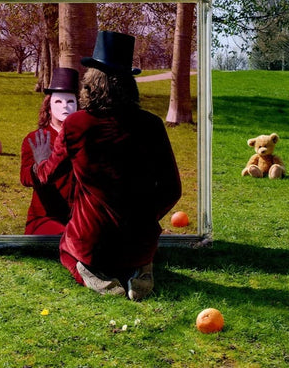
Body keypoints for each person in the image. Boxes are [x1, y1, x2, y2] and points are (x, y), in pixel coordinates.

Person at [29, 31, 182, 301]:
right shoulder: (152, 124)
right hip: (141, 241)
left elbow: (48, 174)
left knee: (67, 247)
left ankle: (94, 274)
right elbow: (172, 189)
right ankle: (140, 271)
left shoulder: (76, 124)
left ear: (90, 82)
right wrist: (145, 218)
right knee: (136, 251)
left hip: (93, 241)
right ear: (129, 83)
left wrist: (38, 162)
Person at [20, 67, 79, 235]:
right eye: (59, 102)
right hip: (44, 218)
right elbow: (24, 178)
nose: (65, 107)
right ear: (49, 107)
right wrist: (38, 166)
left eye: (70, 102)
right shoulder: (35, 138)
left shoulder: (85, 138)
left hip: (79, 218)